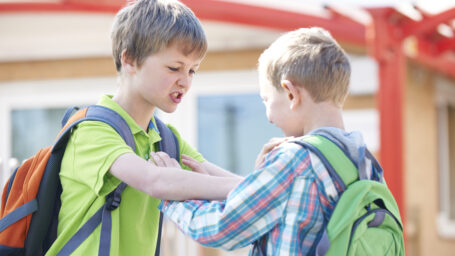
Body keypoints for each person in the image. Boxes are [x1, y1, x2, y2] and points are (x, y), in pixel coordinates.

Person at [156, 27, 384, 255]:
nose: (268, 116)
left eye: (266, 100)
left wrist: (172, 196)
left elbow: (220, 228)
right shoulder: (364, 162)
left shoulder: (295, 161)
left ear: (291, 94)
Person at [45, 0, 242, 255]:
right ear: (130, 60)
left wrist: (272, 184)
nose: (185, 81)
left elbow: (221, 180)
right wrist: (258, 189)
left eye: (193, 70)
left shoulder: (164, 139)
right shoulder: (92, 131)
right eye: (174, 68)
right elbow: (155, 181)